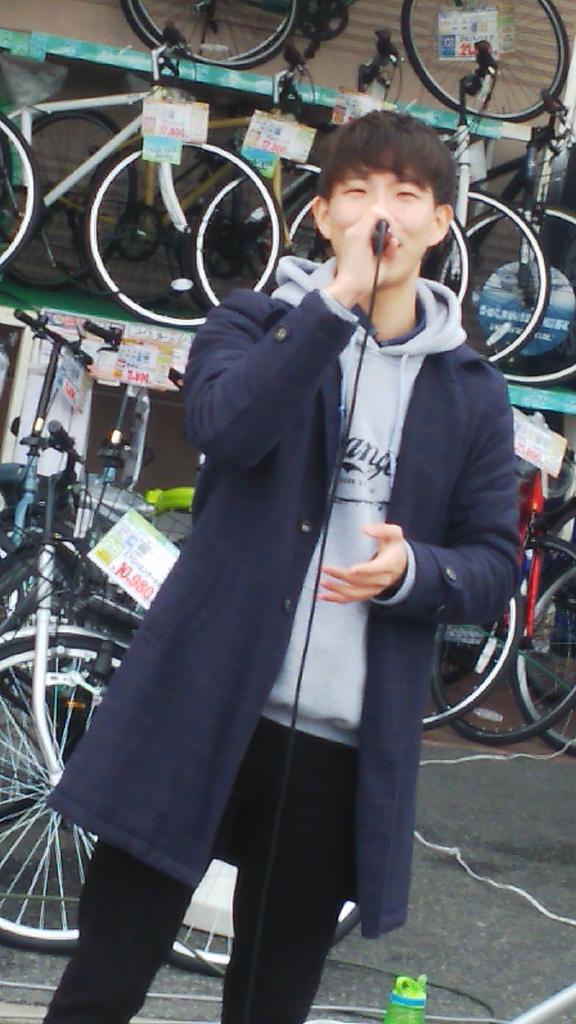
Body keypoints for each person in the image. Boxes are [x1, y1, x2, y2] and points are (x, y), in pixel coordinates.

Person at [44, 110, 519, 1024]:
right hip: (202, 703)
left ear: (440, 222)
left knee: (271, 1003)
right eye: (357, 191)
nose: (381, 212)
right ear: (323, 216)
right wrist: (330, 309)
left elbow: (494, 561)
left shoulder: (471, 393)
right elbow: (226, 430)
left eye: (406, 194)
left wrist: (416, 571)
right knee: (102, 984)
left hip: (337, 747)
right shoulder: (252, 323)